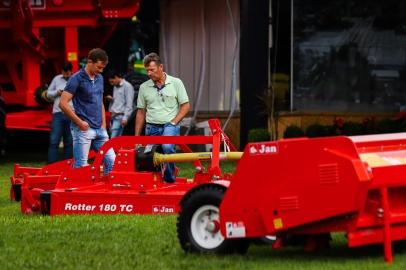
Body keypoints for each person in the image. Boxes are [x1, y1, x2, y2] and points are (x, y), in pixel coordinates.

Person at [135, 52, 190, 183]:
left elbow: (186, 106)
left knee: (167, 147)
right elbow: (141, 112)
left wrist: (173, 122)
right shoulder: (144, 87)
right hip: (151, 126)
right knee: (150, 155)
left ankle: (169, 179)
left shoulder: (176, 82)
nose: (149, 73)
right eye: (147, 70)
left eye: (151, 70)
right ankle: (156, 180)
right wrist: (136, 137)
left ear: (161, 67)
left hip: (169, 125)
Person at [59, 48, 116, 174]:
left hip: (100, 129)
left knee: (112, 161)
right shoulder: (76, 79)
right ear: (90, 62)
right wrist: (79, 123)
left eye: (103, 68)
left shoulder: (100, 78)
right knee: (81, 167)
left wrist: (104, 125)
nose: (101, 71)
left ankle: (108, 192)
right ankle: (75, 192)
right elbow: (62, 103)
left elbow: (100, 101)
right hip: (83, 129)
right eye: (99, 67)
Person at [46, 62, 74, 163]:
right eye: (63, 72)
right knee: (54, 140)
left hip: (71, 114)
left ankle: (67, 165)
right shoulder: (57, 79)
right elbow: (48, 94)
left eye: (67, 73)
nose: (65, 74)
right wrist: (57, 92)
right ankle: (51, 164)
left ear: (71, 71)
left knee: (69, 141)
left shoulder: (76, 79)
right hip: (58, 114)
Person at [105, 70, 135, 138]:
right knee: (115, 138)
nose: (111, 84)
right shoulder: (115, 86)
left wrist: (125, 118)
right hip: (113, 116)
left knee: (113, 139)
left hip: (120, 117)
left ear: (116, 77)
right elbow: (119, 101)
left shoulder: (127, 86)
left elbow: (129, 103)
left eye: (112, 81)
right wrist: (111, 100)